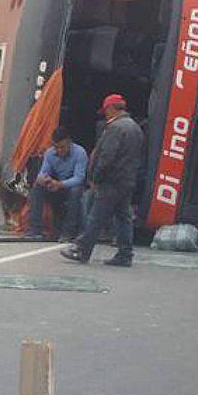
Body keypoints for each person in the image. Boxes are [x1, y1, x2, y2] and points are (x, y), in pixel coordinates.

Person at [61, 93, 145, 267]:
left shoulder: (115, 128)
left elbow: (107, 156)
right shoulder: (136, 128)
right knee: (123, 217)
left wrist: (96, 177)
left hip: (111, 181)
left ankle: (82, 250)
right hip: (127, 180)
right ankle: (125, 254)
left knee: (96, 216)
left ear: (111, 108)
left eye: (106, 110)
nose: (105, 115)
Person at [23, 126, 88, 241]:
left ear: (69, 142)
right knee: (37, 188)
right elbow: (43, 172)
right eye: (56, 147)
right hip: (57, 186)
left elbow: (79, 178)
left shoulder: (80, 153)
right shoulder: (50, 153)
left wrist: (60, 184)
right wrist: (44, 180)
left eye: (62, 147)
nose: (59, 151)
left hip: (72, 186)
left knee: (76, 190)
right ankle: (35, 229)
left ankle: (69, 231)